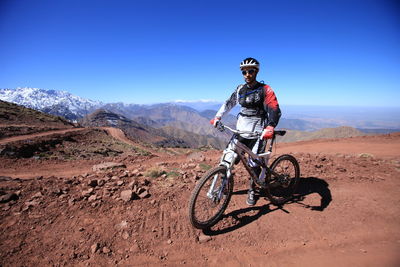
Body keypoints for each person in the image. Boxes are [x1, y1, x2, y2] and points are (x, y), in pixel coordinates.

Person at [210, 57, 281, 206]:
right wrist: (217, 116)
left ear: (256, 71)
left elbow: (274, 108)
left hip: (258, 132)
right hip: (241, 130)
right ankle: (223, 185)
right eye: (244, 72)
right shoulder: (240, 89)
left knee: (254, 163)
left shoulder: (265, 89)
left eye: (250, 71)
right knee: (229, 157)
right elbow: (229, 103)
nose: (247, 74)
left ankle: (252, 190)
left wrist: (270, 126)